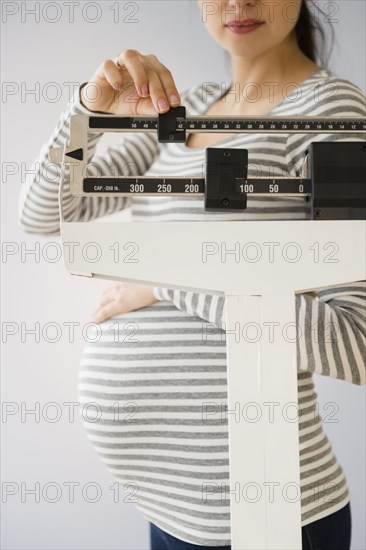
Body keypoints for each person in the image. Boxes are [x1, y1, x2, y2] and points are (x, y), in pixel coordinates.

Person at [18, 0, 365, 548]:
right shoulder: (187, 110)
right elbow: (45, 214)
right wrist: (87, 114)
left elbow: (356, 343)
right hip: (172, 514)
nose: (239, 2)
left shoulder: (335, 113)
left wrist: (162, 283)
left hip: (270, 515)